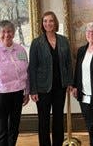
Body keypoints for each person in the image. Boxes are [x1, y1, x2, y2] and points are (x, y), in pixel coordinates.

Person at [28, 11, 73, 146]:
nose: (48, 24)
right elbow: (32, 68)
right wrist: (33, 90)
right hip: (42, 89)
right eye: (45, 21)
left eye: (51, 21)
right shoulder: (36, 43)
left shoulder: (64, 40)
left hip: (60, 87)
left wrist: (70, 81)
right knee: (44, 120)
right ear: (42, 24)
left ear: (55, 23)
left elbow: (69, 63)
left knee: (58, 119)